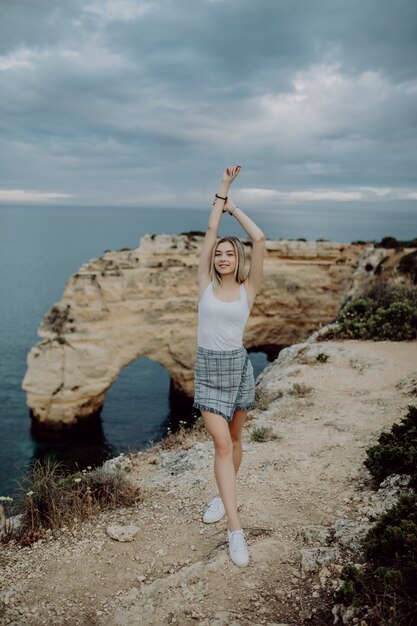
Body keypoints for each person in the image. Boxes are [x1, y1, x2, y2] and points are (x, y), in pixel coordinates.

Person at [193, 164, 265, 567]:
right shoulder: (204, 282)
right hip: (207, 372)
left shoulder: (247, 289)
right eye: (218, 252)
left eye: (228, 253)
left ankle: (223, 497)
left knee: (236, 443)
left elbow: (259, 237)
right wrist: (222, 187)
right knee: (221, 444)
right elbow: (208, 232)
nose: (221, 257)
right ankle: (235, 530)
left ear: (237, 259)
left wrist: (234, 207)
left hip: (238, 368)